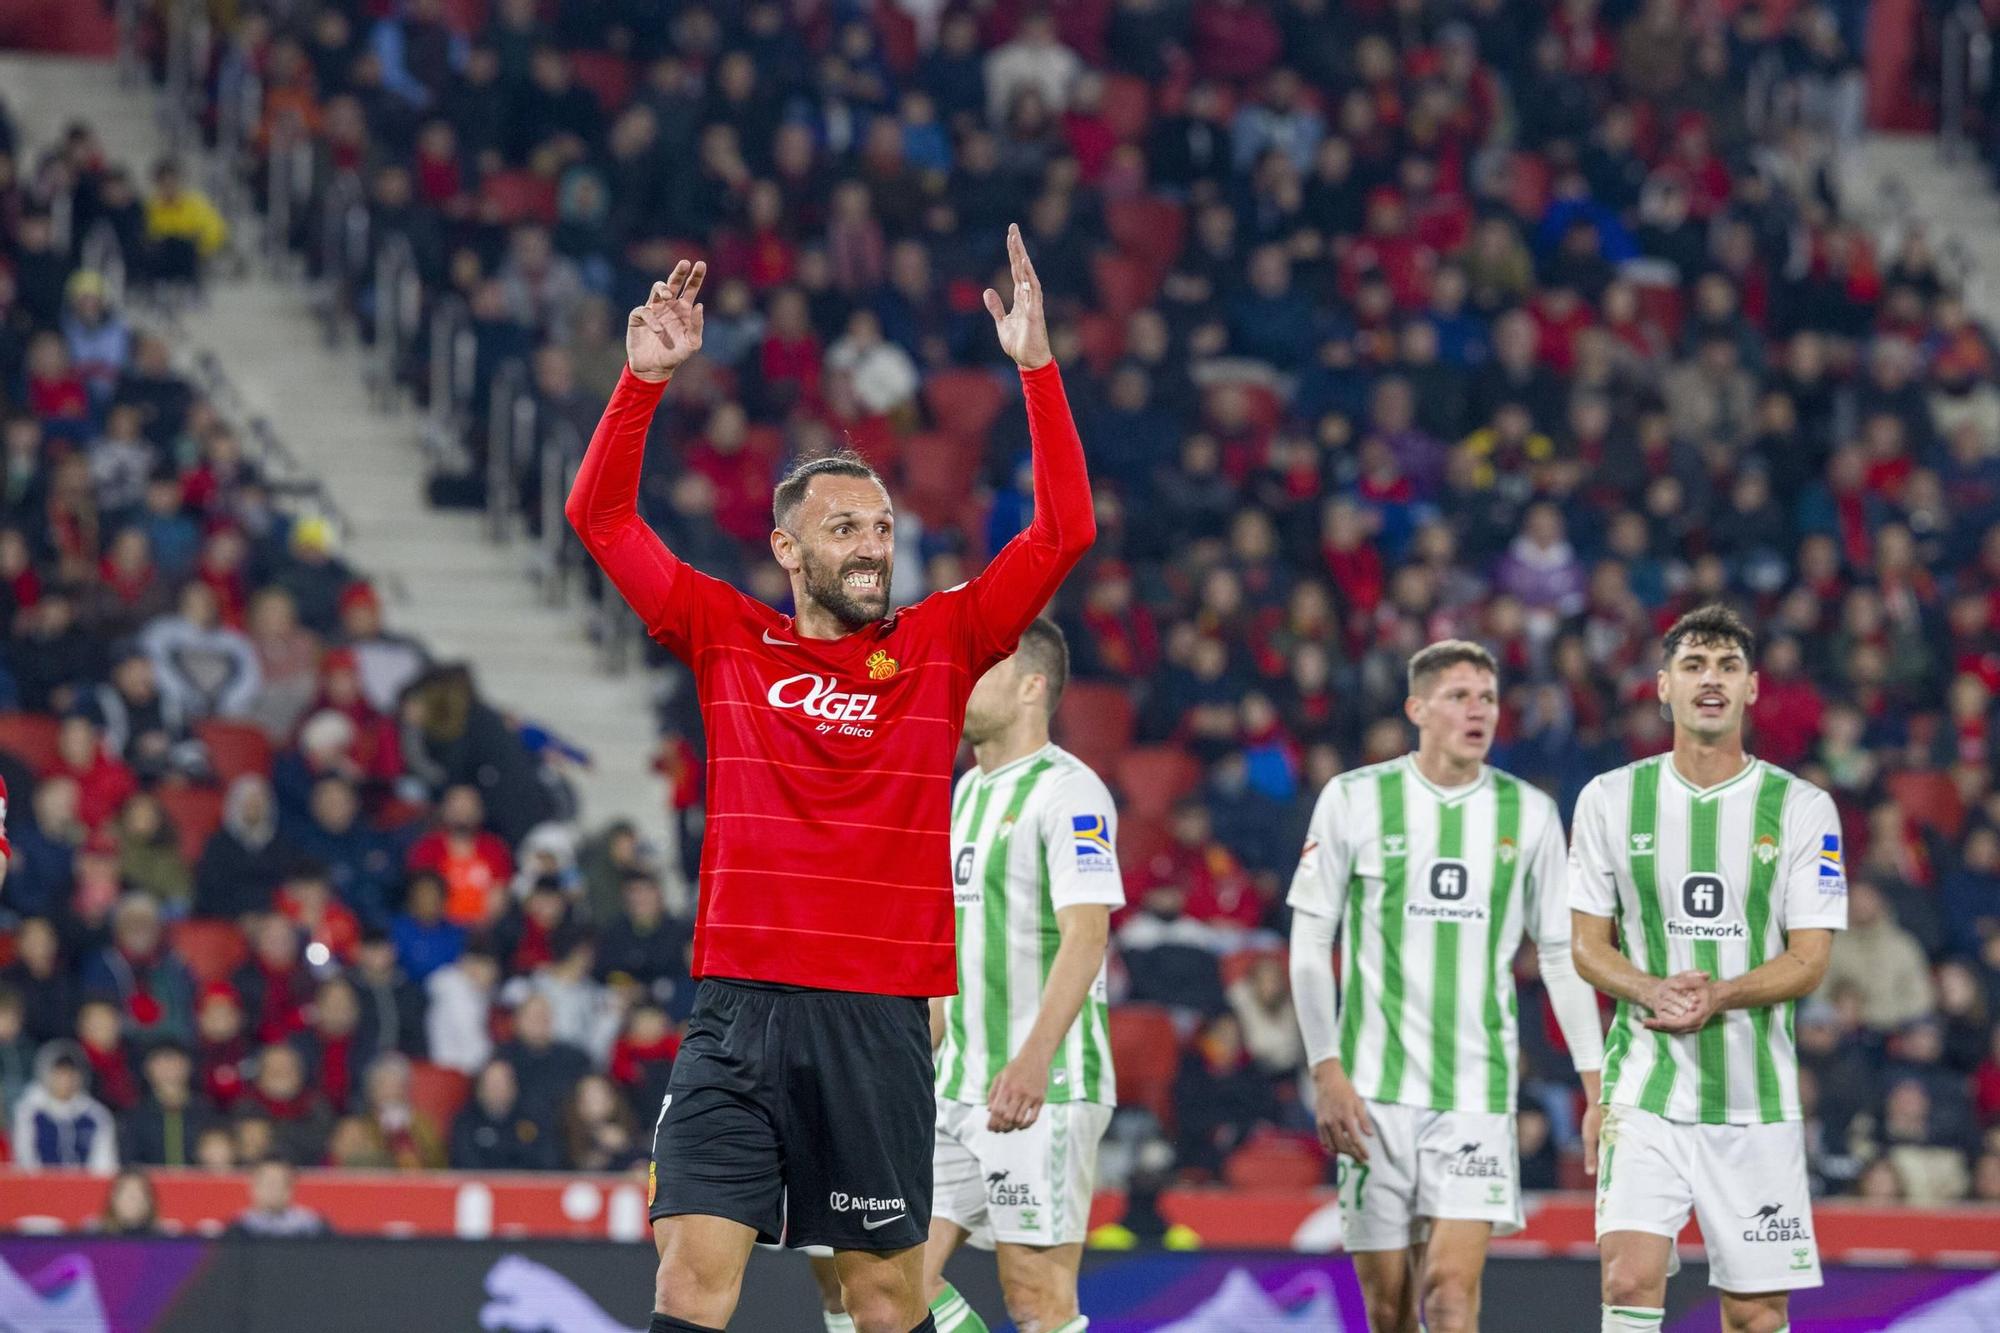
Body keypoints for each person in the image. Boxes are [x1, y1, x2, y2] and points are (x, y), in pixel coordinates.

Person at [568, 229, 1092, 1333]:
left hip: (875, 1022)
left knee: (884, 1297)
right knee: (687, 1281)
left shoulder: (945, 645)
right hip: (735, 1012)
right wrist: (641, 382)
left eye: (885, 527)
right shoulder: (726, 636)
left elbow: (1062, 531)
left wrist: (1035, 371)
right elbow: (599, 519)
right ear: (787, 551)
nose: (871, 544)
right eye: (842, 528)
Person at [1288, 639, 1605, 1333]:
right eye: (1459, 695)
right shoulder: (1355, 797)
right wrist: (1326, 1068)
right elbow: (1311, 940)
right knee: (1391, 1308)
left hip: (1474, 1092)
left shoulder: (1527, 813)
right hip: (1370, 1090)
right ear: (1417, 708)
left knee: (1450, 1294)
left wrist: (1596, 1079)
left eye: (1488, 697)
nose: (1478, 710)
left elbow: (1559, 951)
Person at [1569, 606, 1846, 1333]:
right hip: (1647, 1084)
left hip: (1754, 1096)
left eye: (1727, 667)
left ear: (1753, 688)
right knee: (1627, 1273)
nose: (1711, 680)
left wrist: (1719, 994)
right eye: (1694, 665)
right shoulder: (1608, 798)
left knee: (1755, 1314)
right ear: (1663, 687)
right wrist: (1649, 988)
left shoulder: (1803, 807)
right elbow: (1586, 945)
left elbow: (1811, 959)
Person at [920, 621, 1122, 1333]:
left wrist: (1033, 1060)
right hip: (956, 1085)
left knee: (1035, 1297)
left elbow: (1087, 935)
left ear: (1033, 685)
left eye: (982, 667)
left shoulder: (1071, 792)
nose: (960, 678)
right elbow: (953, 951)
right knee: (889, 1283)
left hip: (1044, 1083)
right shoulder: (967, 791)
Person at [12, 1041, 118, 1171]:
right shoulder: (30, 1111)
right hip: (40, 1185)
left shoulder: (96, 1115)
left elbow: (104, 1163)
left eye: (70, 1074)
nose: (65, 1080)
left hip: (85, 1186)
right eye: (59, 1074)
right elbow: (26, 1160)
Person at [230, 1156, 329, 1236]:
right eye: (268, 1183)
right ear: (254, 1188)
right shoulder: (239, 1226)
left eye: (279, 1183)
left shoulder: (310, 1225)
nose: (273, 1190)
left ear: (290, 1189)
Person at [96, 1168, 160, 1234]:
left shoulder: (164, 1240)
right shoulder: (93, 1239)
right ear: (113, 1198)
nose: (132, 1198)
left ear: (149, 1200)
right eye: (126, 1192)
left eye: (138, 1192)